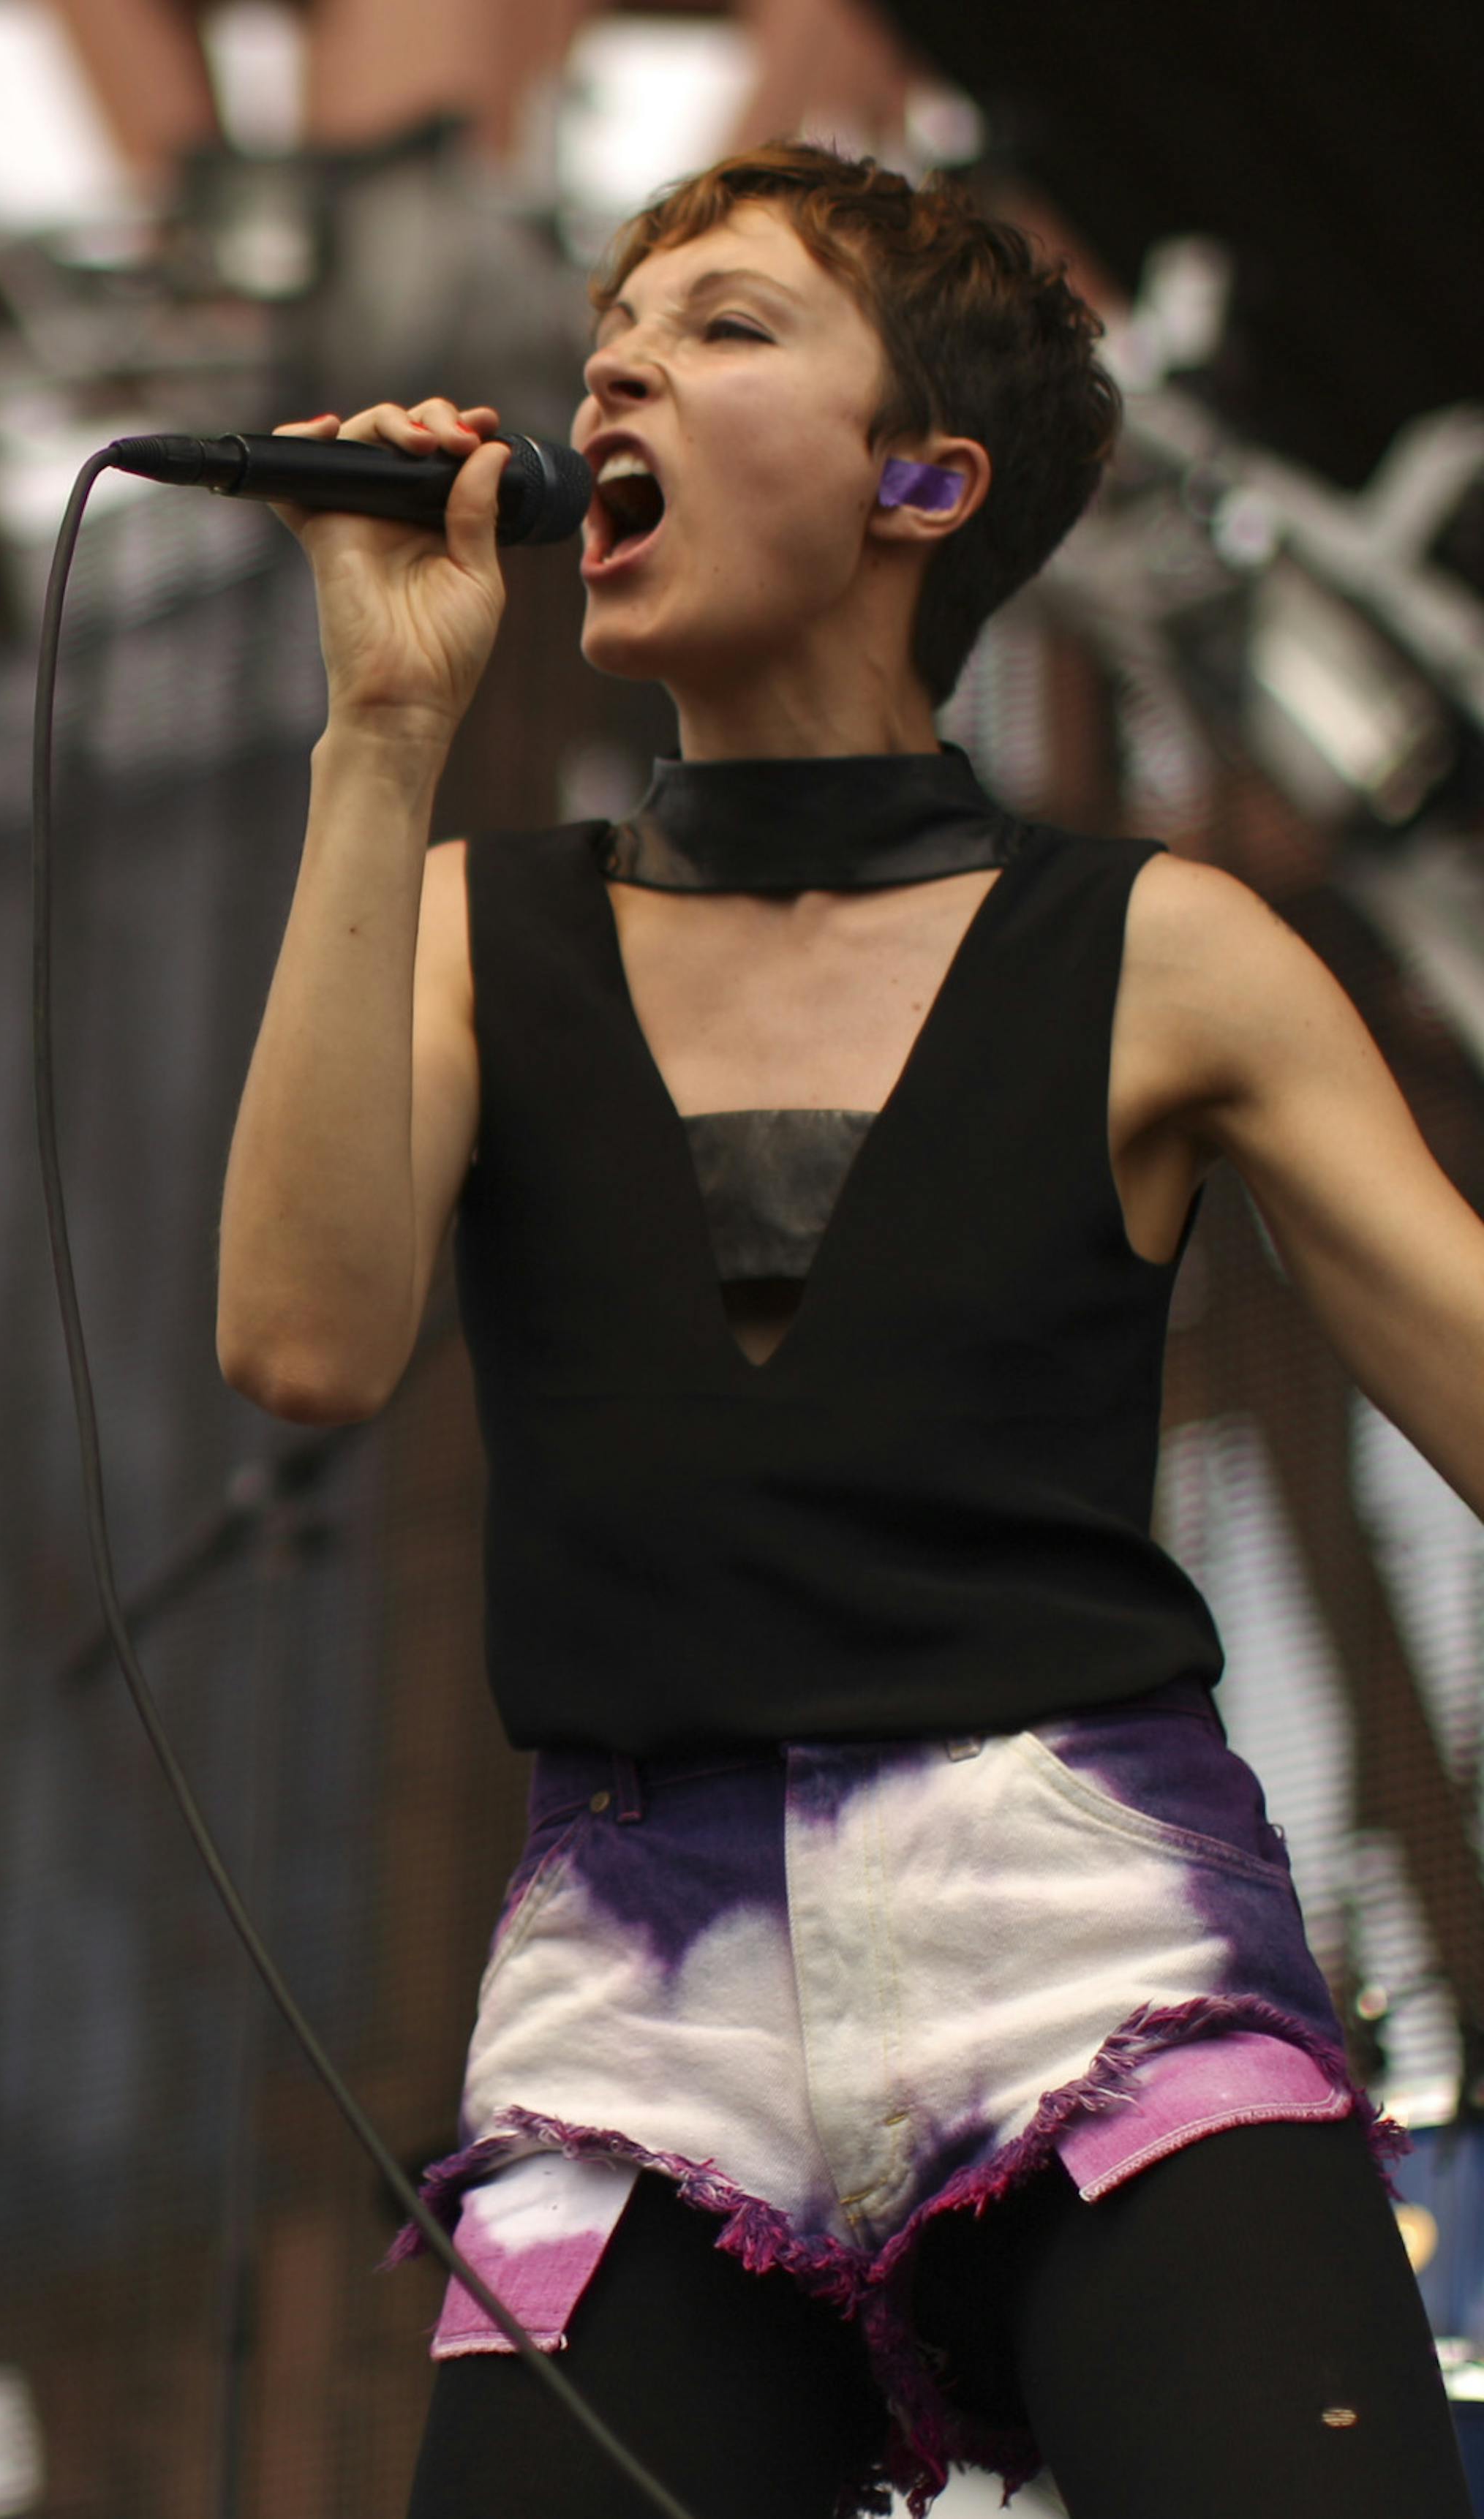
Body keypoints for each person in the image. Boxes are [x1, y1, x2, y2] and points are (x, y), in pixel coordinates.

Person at [215, 142, 1477, 2519]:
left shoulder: (1159, 946)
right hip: (634, 1992)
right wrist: (376, 737)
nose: (618, 364)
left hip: (1096, 1930)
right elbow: (297, 1337)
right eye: (613, 330)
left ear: (925, 478)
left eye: (723, 325)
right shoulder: (489, 928)